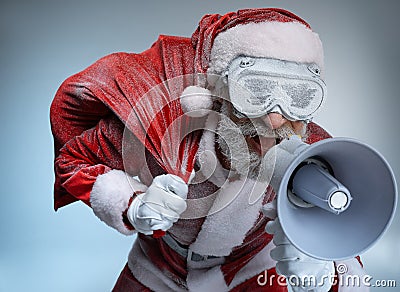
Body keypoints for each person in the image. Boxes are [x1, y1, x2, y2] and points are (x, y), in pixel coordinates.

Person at [50, 8, 368, 291]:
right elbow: (73, 161)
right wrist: (133, 204)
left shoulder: (322, 155)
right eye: (254, 91)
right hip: (157, 271)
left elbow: (349, 236)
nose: (274, 119)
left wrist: (325, 273)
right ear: (216, 89)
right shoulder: (159, 129)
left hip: (253, 272)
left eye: (298, 96)